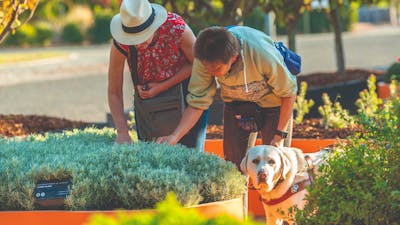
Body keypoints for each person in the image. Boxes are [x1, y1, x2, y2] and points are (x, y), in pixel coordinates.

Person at [157, 26, 297, 168]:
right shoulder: (205, 58)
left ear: (234, 57)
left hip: (274, 105)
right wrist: (174, 136)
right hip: (237, 105)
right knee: (233, 167)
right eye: (207, 68)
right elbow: (198, 102)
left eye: (216, 68)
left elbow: (289, 93)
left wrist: (279, 136)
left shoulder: (261, 53)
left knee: (274, 163)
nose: (211, 72)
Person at [108, 0, 208, 150]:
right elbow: (114, 91)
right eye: (132, 39)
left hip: (187, 97)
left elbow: (199, 64)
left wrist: (161, 87)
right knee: (152, 159)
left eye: (141, 37)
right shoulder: (121, 42)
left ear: (154, 26)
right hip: (150, 106)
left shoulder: (176, 29)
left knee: (189, 157)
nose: (136, 44)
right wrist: (122, 132)